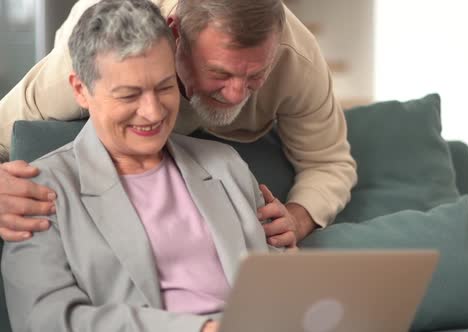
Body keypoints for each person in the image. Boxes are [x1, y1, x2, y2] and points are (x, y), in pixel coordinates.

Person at [2, 1, 293, 331]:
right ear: (81, 90)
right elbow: (44, 319)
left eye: (165, 87)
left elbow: (279, 284)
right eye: (129, 95)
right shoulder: (37, 191)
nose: (153, 113)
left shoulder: (225, 164)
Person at [0, 0, 357, 244]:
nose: (235, 94)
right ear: (175, 33)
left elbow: (329, 162)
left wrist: (298, 217)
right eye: (218, 72)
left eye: (254, 76)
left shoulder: (298, 60)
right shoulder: (101, 55)